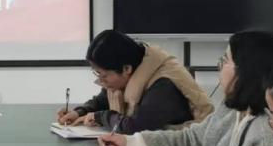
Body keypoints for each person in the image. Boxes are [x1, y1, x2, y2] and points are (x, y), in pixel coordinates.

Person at [98, 30, 273, 146]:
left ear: (247, 71)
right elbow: (191, 141)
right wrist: (130, 143)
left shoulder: (268, 136)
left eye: (225, 60)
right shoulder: (231, 109)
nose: (218, 66)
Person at [57, 29, 212, 133]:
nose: (100, 81)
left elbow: (135, 127)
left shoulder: (163, 85)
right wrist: (79, 112)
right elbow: (104, 99)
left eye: (103, 75)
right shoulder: (135, 67)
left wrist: (99, 117)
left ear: (126, 69)